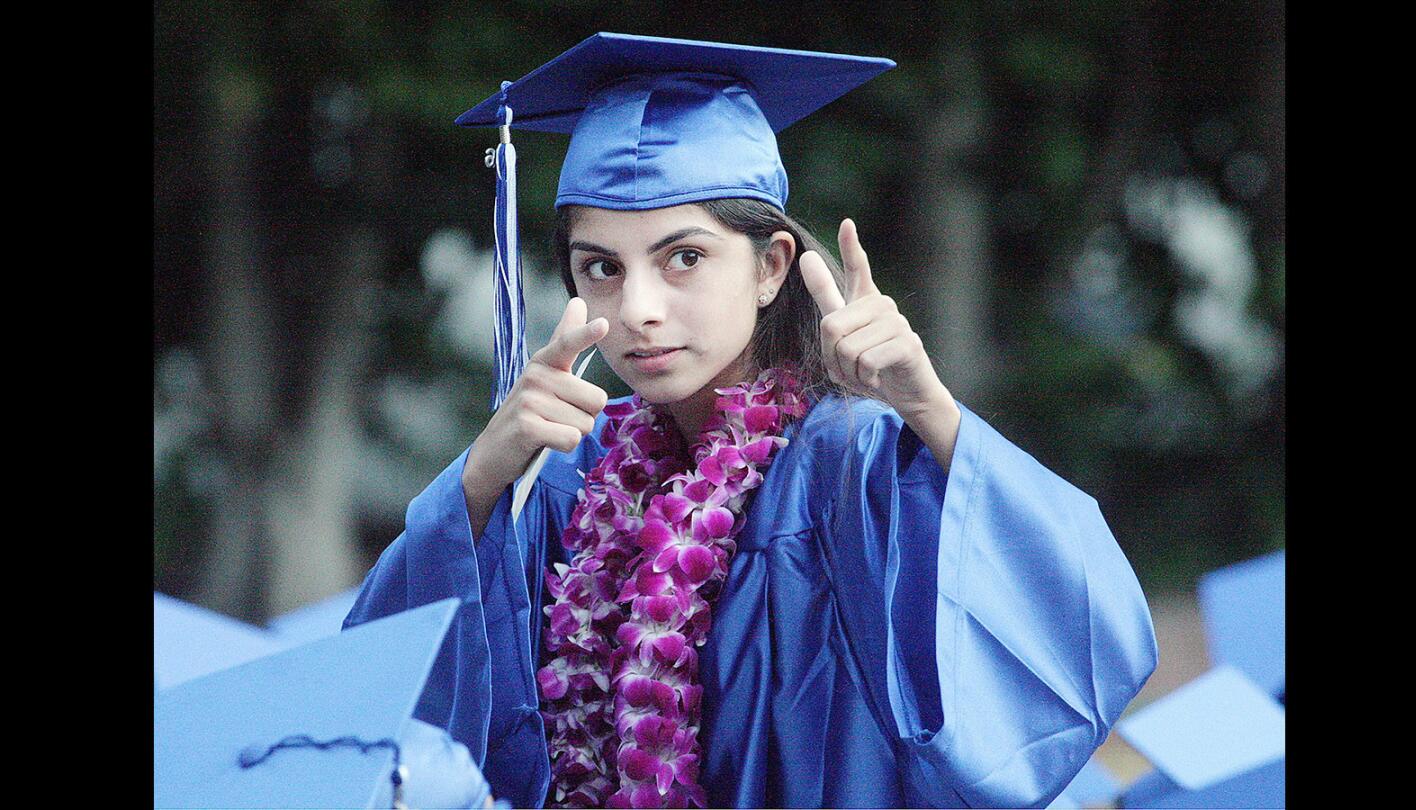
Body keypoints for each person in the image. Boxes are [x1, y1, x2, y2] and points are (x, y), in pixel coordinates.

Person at [345, 33, 1158, 810]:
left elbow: (1086, 625)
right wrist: (482, 476)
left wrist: (929, 409)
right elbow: (372, 711)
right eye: (601, 268)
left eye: (684, 258)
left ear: (771, 267)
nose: (638, 311)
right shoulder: (571, 474)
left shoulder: (852, 463)